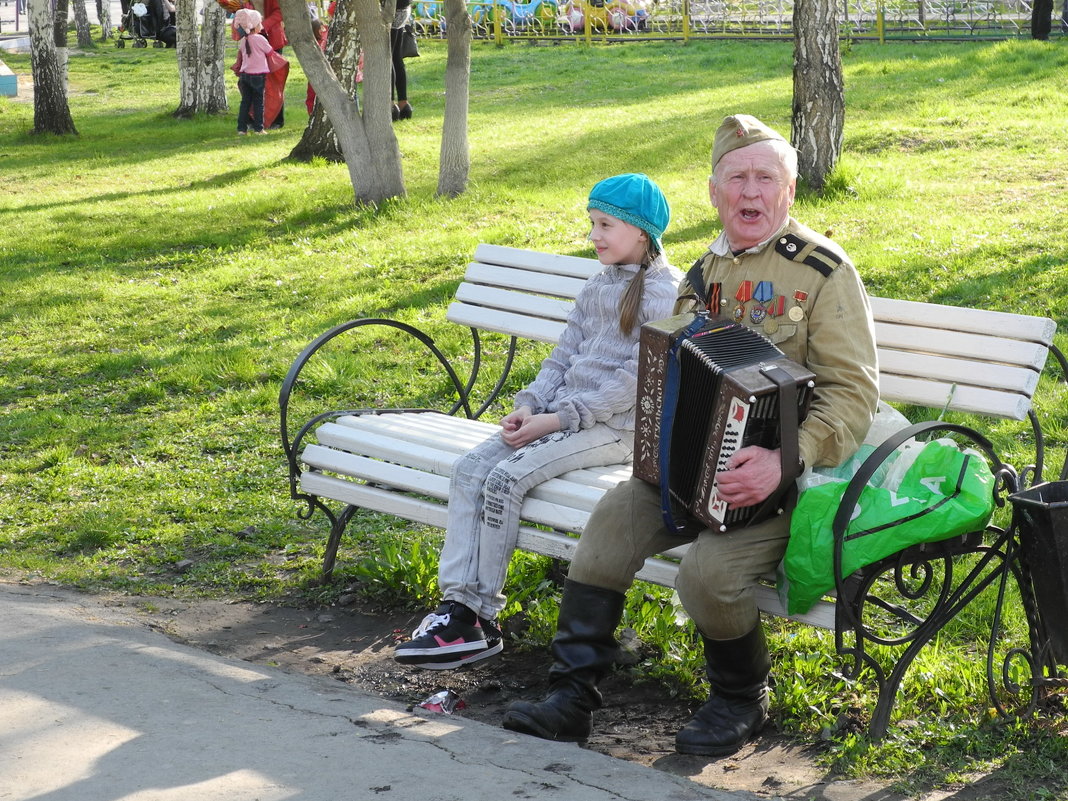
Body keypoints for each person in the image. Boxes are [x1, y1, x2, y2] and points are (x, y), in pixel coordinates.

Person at [502, 114, 880, 756]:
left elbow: (853, 396)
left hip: (784, 485)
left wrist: (784, 459)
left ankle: (740, 699)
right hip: (689, 473)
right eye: (738, 178)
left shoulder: (820, 271)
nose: (751, 193)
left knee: (705, 575)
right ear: (714, 192)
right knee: (610, 524)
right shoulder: (703, 273)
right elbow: (668, 367)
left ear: (789, 192)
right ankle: (572, 697)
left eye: (767, 179)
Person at [393, 174, 684, 670]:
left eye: (606, 225)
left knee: (504, 480)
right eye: (592, 222)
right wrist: (530, 405)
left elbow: (634, 382)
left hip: (615, 429)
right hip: (560, 415)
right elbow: (564, 355)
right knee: (470, 469)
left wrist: (555, 420)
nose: (594, 235)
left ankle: (482, 620)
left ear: (641, 231)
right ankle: (457, 607)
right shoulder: (598, 283)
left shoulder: (665, 293)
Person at [232, 8, 274, 135]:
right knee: (258, 102)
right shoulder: (260, 39)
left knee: (245, 102)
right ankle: (259, 128)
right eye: (259, 23)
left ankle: (241, 129)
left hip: (245, 75)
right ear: (255, 26)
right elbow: (270, 52)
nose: (261, 25)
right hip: (258, 76)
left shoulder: (243, 41)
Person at [389, 0, 413, 121]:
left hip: (392, 9)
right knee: (396, 58)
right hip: (404, 8)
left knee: (388, 58)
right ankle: (403, 104)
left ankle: (391, 104)